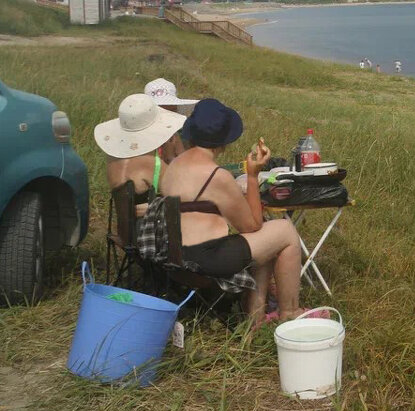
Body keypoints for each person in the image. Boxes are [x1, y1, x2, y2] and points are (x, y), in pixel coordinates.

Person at [161, 99, 316, 324]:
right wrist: (252, 175)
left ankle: (255, 313)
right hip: (205, 259)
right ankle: (289, 312)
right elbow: (251, 225)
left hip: (175, 255)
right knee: (284, 230)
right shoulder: (216, 176)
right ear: (223, 141)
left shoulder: (174, 165)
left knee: (265, 240)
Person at [95, 94, 186, 204]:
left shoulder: (112, 159)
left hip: (123, 220)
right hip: (149, 220)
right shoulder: (152, 164)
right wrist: (170, 158)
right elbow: (184, 193)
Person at [143, 77, 198, 161]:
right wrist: (170, 157)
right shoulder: (142, 137)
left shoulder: (177, 134)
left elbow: (186, 165)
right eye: (161, 111)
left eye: (171, 110)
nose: (166, 116)